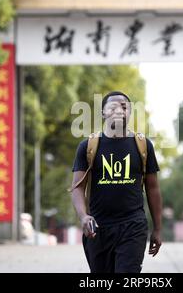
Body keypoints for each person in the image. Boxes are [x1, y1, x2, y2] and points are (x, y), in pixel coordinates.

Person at [70, 91, 163, 273]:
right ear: (103, 113)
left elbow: (153, 188)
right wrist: (83, 216)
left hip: (133, 226)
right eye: (113, 107)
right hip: (98, 228)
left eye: (124, 107)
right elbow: (77, 187)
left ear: (130, 112)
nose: (119, 111)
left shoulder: (143, 145)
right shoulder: (88, 146)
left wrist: (158, 228)